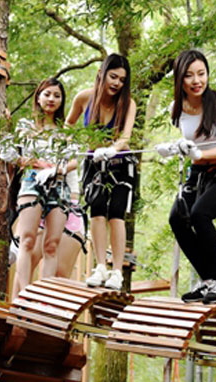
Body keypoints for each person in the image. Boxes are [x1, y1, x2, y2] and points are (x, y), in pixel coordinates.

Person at [156, 49, 216, 304]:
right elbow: (188, 142)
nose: (197, 81)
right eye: (190, 76)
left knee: (199, 214)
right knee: (177, 218)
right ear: (180, 79)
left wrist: (200, 155)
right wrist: (173, 148)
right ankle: (209, 282)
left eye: (201, 74)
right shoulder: (176, 108)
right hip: (197, 174)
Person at [67, 53, 137, 290]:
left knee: (116, 213)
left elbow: (126, 137)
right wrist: (76, 147)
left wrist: (112, 148)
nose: (117, 83)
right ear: (102, 74)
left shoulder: (127, 104)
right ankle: (100, 267)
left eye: (122, 80)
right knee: (96, 210)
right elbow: (69, 128)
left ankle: (117, 271)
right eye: (113, 77)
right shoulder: (84, 98)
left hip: (120, 162)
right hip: (94, 162)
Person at [10, 77, 78, 299]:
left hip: (59, 187)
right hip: (32, 182)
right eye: (47, 94)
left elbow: (76, 160)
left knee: (51, 244)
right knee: (27, 239)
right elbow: (13, 156)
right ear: (38, 97)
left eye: (57, 96)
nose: (51, 99)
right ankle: (22, 294)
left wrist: (58, 169)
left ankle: (43, 298)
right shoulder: (25, 127)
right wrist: (38, 164)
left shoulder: (65, 132)